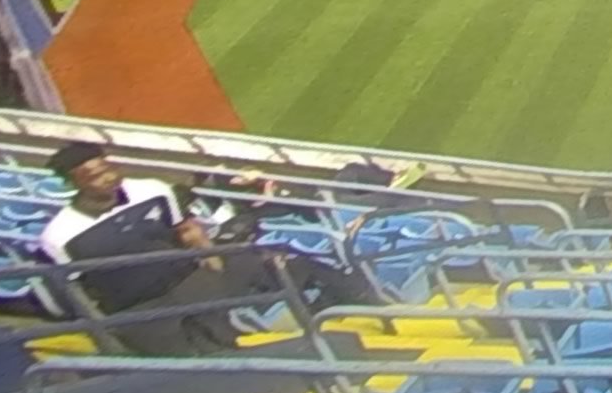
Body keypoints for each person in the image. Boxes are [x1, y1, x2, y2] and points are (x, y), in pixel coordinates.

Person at [40, 143, 374, 355]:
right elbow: (78, 292)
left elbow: (188, 230)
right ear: (73, 183)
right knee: (203, 360)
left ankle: (367, 305)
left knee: (283, 258)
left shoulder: (150, 190)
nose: (107, 177)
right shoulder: (60, 235)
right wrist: (109, 335)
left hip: (191, 280)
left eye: (108, 167)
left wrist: (214, 265)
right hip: (138, 310)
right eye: (93, 175)